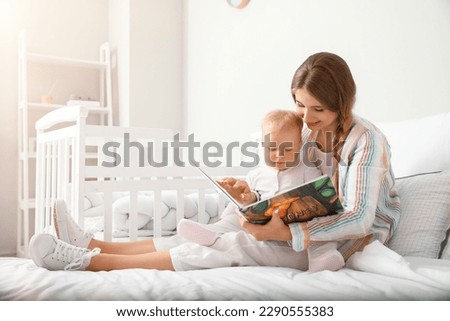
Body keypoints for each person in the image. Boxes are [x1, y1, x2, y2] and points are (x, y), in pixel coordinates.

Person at [28, 51, 401, 272]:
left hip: (346, 244)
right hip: (299, 228)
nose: (307, 118)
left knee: (229, 246)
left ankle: (89, 263)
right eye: (300, 105)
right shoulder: (307, 133)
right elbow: (287, 182)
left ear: (343, 102)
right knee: (219, 226)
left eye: (318, 109)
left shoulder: (366, 141)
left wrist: (286, 233)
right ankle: (93, 242)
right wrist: (248, 192)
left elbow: (358, 218)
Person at [177, 109, 345, 272]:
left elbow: (320, 190)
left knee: (320, 227)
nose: (279, 155)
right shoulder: (256, 174)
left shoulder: (306, 170)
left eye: (286, 149)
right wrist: (245, 200)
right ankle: (212, 233)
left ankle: (323, 258)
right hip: (263, 223)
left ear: (299, 145)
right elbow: (250, 199)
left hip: (295, 226)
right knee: (235, 215)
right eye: (272, 149)